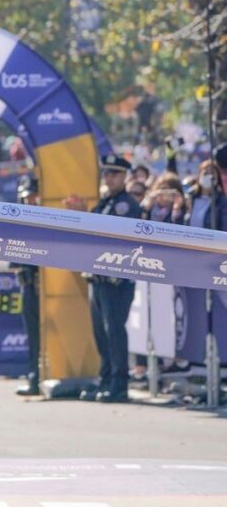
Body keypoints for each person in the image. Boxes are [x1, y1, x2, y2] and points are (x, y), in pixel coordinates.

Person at [66, 154, 142, 403]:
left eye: (114, 174)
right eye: (106, 173)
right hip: (98, 277)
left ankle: (119, 386)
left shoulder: (126, 205)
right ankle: (106, 380)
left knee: (114, 331)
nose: (108, 178)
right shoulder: (105, 203)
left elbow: (113, 234)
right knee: (101, 333)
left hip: (116, 280)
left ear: (124, 176)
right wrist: (81, 214)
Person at [10, 177, 41, 396]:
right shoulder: (20, 224)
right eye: (26, 196)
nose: (29, 200)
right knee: (32, 335)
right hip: (28, 285)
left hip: (45, 286)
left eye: (32, 195)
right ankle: (33, 376)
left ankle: (41, 375)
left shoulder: (46, 221)